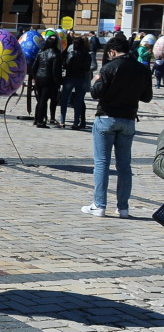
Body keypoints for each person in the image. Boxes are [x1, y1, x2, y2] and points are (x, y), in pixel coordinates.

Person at [85, 36, 151, 217]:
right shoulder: (142, 69)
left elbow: (95, 93)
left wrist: (97, 79)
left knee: (101, 164)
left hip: (106, 118)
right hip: (128, 119)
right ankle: (123, 207)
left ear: (112, 51)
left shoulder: (109, 67)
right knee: (124, 166)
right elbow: (147, 97)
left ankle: (99, 205)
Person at [58, 36, 92, 130]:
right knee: (79, 102)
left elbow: (66, 65)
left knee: (64, 100)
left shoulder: (71, 54)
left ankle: (62, 121)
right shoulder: (87, 55)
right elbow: (88, 68)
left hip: (70, 78)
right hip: (81, 78)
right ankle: (76, 122)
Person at [32, 36, 63, 128]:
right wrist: (58, 81)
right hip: (49, 79)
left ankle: (37, 118)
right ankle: (40, 121)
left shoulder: (41, 52)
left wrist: (35, 77)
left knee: (40, 99)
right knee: (43, 100)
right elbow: (55, 71)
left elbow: (34, 67)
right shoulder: (56, 54)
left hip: (39, 77)